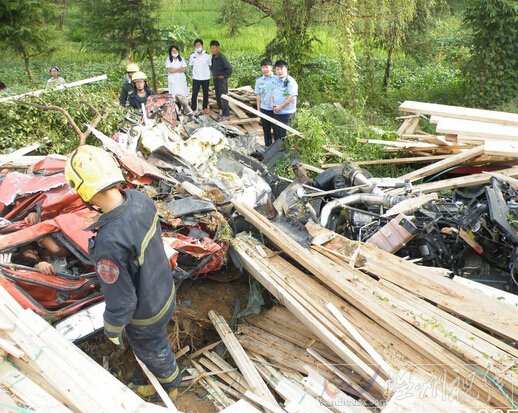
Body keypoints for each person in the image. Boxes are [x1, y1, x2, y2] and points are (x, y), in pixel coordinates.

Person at [65, 145, 181, 401]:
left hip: (146, 314)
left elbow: (123, 300)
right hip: (163, 290)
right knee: (151, 345)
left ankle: (172, 383)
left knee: (153, 349)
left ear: (83, 190)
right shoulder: (140, 200)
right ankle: (146, 379)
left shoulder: (109, 242)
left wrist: (112, 328)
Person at [271, 60, 298, 139]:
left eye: (281, 69)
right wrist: (272, 103)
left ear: (286, 68)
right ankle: (276, 151)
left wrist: (280, 107)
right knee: (276, 136)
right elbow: (272, 93)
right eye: (277, 69)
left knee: (285, 138)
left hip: (287, 115)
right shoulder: (275, 80)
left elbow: (292, 98)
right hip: (276, 113)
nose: (279, 71)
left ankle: (285, 151)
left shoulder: (291, 82)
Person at [254, 59, 277, 146]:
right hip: (264, 109)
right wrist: (258, 109)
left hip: (275, 109)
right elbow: (258, 95)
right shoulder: (259, 81)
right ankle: (267, 148)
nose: (265, 69)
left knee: (276, 130)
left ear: (271, 67)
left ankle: (277, 149)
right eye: (263, 67)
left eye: (266, 67)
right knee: (266, 130)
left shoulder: (277, 79)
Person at [210, 40, 232, 121]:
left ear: (218, 48)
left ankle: (226, 115)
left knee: (223, 97)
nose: (213, 50)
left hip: (222, 81)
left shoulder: (222, 57)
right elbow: (213, 66)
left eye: (214, 48)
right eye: (211, 48)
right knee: (218, 97)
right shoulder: (213, 57)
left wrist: (224, 76)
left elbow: (229, 68)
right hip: (216, 80)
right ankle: (221, 112)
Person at [188, 39, 212, 114]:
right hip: (196, 77)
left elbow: (210, 65)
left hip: (205, 77)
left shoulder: (207, 55)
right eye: (196, 45)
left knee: (205, 93)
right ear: (194, 46)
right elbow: (191, 66)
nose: (198, 46)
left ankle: (205, 107)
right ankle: (193, 108)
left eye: (199, 45)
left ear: (202, 45)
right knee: (194, 93)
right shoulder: (192, 56)